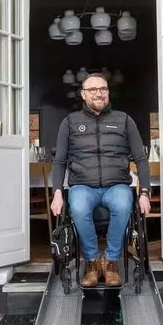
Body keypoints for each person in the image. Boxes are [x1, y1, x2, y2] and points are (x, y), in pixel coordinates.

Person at [49, 73, 151, 288]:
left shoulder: (124, 120)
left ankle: (111, 262)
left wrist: (144, 193)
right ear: (83, 94)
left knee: (124, 205)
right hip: (82, 186)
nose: (99, 93)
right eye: (93, 90)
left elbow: (141, 159)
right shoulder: (70, 122)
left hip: (117, 185)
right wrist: (57, 193)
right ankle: (93, 262)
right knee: (77, 207)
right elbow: (59, 161)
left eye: (103, 89)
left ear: (108, 92)